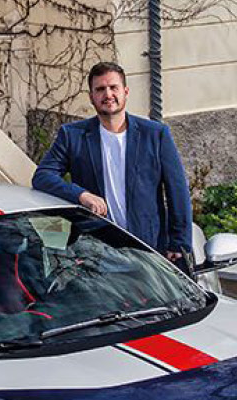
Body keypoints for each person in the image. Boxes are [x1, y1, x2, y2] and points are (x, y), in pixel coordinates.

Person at [32, 62, 193, 266]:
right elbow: (43, 176)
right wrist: (81, 195)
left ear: (125, 91)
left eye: (113, 87)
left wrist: (179, 243)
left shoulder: (155, 135)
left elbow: (177, 191)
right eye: (100, 89)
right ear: (91, 97)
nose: (108, 94)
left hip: (148, 250)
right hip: (97, 252)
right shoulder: (73, 136)